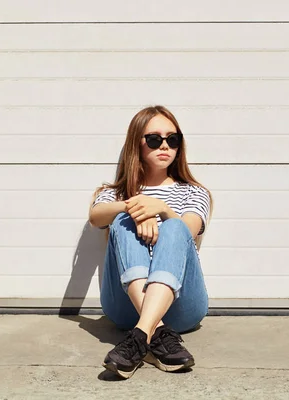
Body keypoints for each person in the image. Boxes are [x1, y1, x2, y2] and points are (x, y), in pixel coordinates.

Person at [88, 105, 212, 379]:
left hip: (182, 309)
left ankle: (139, 337)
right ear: (137, 144)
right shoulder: (115, 193)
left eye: (173, 139)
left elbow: (189, 231)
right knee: (121, 220)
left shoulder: (194, 192)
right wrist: (133, 207)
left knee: (175, 226)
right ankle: (156, 335)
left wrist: (161, 209)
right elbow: (96, 218)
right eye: (154, 139)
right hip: (124, 307)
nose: (165, 146)